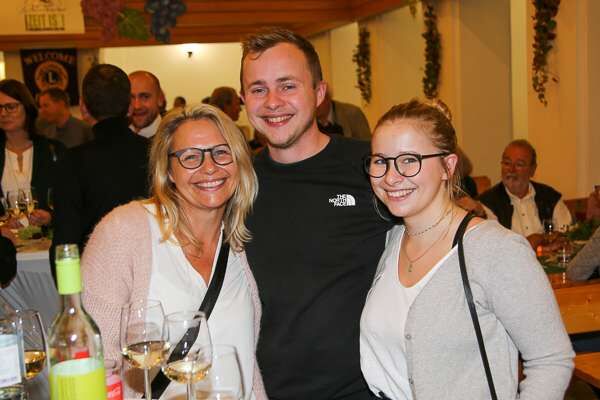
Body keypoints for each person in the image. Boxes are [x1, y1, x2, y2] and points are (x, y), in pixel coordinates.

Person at [359, 99, 574, 399]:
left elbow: (551, 360)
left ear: (448, 166)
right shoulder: (391, 242)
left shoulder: (494, 250)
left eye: (409, 160)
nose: (391, 177)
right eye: (380, 161)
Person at [240, 27, 391, 399]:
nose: (273, 102)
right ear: (244, 99)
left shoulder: (371, 165)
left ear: (319, 93)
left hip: (365, 391)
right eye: (258, 89)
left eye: (287, 85)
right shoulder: (236, 185)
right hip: (267, 391)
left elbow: (441, 231)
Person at [81, 104, 266, 400]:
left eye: (221, 152)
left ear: (239, 161)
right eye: (190, 157)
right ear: (168, 170)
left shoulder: (243, 244)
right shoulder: (124, 232)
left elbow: (246, 359)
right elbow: (95, 361)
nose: (209, 167)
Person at [50, 64, 150, 281]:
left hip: (98, 278)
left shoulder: (72, 162)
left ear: (83, 108)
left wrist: (70, 295)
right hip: (154, 273)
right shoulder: (155, 152)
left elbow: (66, 242)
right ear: (130, 107)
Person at [478, 139, 572, 249]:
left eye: (519, 164)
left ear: (533, 169)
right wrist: (540, 241)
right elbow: (497, 246)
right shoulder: (487, 203)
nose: (511, 170)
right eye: (507, 163)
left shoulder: (550, 197)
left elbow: (567, 234)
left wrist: (540, 241)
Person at [0, 79, 65, 227]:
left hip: (47, 238)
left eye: (11, 107)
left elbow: (70, 201)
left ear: (27, 108)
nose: (3, 113)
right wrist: (3, 226)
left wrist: (50, 217)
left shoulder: (53, 150)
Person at [128, 70, 165, 138]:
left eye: (145, 97)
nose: (137, 106)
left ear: (160, 98)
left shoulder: (173, 137)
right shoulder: (114, 135)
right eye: (131, 98)